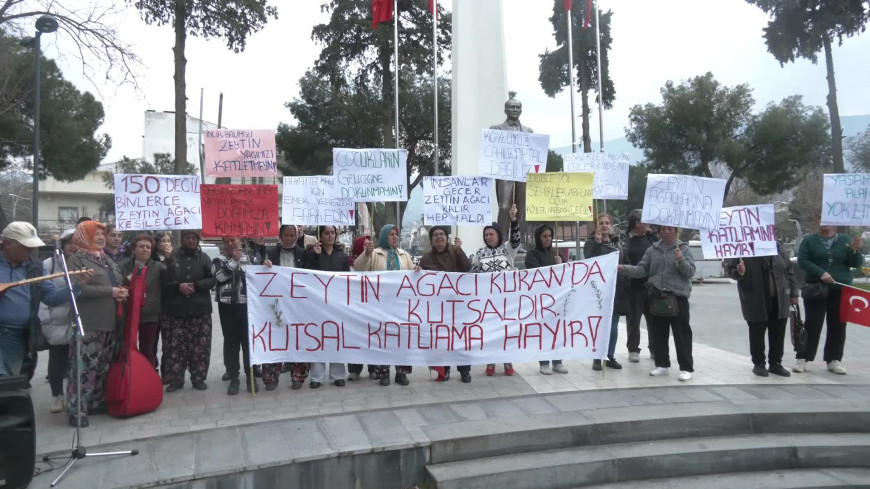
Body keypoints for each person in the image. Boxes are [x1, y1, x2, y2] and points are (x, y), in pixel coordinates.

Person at [65, 220, 126, 427]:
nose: (101, 237)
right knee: (83, 369)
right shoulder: (77, 260)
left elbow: (116, 282)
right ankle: (76, 409)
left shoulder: (106, 259)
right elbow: (77, 290)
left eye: (102, 234)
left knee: (101, 366)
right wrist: (110, 292)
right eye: (96, 234)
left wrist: (121, 291)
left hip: (109, 322)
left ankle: (95, 401)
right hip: (89, 323)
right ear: (83, 236)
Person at [619, 226, 696, 381]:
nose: (667, 232)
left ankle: (686, 368)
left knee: (682, 334)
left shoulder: (684, 249)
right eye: (663, 229)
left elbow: (690, 272)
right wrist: (624, 269)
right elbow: (642, 269)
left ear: (676, 231)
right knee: (658, 333)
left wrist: (680, 259)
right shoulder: (652, 250)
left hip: (677, 298)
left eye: (670, 229)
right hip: (657, 297)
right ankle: (662, 365)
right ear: (658, 232)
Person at [0, 222, 76, 380]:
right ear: (7, 243)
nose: (31, 250)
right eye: (25, 246)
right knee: (6, 381)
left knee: (19, 382)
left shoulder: (35, 267)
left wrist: (77, 287)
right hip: (3, 332)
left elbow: (51, 298)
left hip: (27, 334)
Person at [793, 214, 864, 375]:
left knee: (838, 324)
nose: (823, 222)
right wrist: (820, 273)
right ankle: (803, 358)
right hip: (816, 288)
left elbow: (855, 263)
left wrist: (855, 250)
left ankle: (833, 359)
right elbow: (803, 261)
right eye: (820, 219)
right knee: (812, 324)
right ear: (816, 222)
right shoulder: (809, 241)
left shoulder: (845, 239)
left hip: (840, 289)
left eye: (827, 219)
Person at [354, 224, 417, 386]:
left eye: (396, 234)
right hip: (380, 305)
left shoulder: (404, 255)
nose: (395, 237)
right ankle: (384, 372)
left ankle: (401, 373)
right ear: (383, 237)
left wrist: (417, 270)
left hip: (401, 305)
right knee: (383, 339)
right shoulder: (374, 254)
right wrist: (366, 254)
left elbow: (412, 275)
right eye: (391, 234)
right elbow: (359, 268)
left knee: (402, 339)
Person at [726, 244, 798, 377]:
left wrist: (794, 293)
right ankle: (759, 364)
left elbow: (789, 271)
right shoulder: (742, 247)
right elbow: (730, 270)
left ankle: (775, 363)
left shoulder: (777, 246)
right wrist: (738, 271)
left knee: (778, 332)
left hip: (779, 297)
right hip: (755, 298)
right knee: (757, 332)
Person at [161, 230, 215, 393]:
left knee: (200, 346)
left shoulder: (204, 257)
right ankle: (176, 380)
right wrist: (178, 287)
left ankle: (198, 378)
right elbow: (163, 281)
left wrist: (197, 286)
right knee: (175, 347)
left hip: (200, 311)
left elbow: (212, 279)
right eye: (187, 238)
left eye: (193, 238)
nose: (190, 241)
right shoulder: (171, 257)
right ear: (182, 239)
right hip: (176, 311)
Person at [471, 204, 520, 376]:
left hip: (506, 301)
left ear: (498, 235)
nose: (489, 237)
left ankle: (507, 360)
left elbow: (515, 240)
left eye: (492, 234)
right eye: (486, 235)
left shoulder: (507, 250)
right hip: (488, 302)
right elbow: (472, 275)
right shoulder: (479, 253)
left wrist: (513, 220)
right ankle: (490, 361)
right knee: (490, 331)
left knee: (506, 330)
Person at [419, 226, 472, 382]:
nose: (439, 237)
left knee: (461, 339)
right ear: (431, 241)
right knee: (443, 340)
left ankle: (464, 370)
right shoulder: (426, 259)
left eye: (442, 234)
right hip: (439, 308)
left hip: (458, 305)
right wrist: (418, 270)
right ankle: (445, 370)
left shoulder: (456, 253)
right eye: (435, 235)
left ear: (447, 238)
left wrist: (460, 251)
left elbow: (468, 268)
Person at [214, 236, 264, 394]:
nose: (230, 244)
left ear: (240, 242)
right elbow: (220, 277)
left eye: (233, 241)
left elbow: (260, 278)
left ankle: (250, 377)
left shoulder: (251, 259)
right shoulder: (218, 259)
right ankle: (234, 377)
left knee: (248, 342)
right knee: (231, 342)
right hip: (227, 306)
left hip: (247, 306)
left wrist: (267, 266)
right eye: (226, 241)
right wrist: (234, 261)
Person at [303, 225, 350, 388]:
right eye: (327, 233)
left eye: (333, 233)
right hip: (317, 303)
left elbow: (347, 280)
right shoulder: (311, 254)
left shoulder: (342, 256)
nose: (330, 236)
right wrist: (314, 257)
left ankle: (337, 374)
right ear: (320, 236)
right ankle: (316, 376)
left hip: (337, 303)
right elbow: (305, 275)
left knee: (336, 338)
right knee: (318, 338)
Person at [120, 234, 174, 371]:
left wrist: (170, 259)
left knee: (148, 350)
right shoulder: (123, 266)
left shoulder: (157, 266)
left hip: (149, 315)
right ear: (134, 249)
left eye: (148, 247)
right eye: (141, 246)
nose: (145, 249)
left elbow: (172, 277)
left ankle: (149, 377)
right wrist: (127, 280)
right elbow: (115, 285)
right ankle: (130, 377)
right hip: (127, 315)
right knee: (126, 349)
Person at [38, 229, 76, 413]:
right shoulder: (49, 264)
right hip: (55, 322)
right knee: (57, 361)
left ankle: (72, 395)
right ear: (62, 244)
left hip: (76, 320)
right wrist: (45, 318)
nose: (73, 246)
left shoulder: (84, 262)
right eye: (69, 242)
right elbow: (41, 293)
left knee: (75, 362)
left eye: (76, 242)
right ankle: (57, 396)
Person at [265, 224, 308, 388]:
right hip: (276, 303)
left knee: (298, 338)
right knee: (274, 339)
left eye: (292, 236)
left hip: (298, 305)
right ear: (280, 237)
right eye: (286, 236)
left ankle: (298, 376)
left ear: (296, 236)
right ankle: (270, 377)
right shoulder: (269, 254)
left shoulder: (304, 254)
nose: (289, 239)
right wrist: (264, 265)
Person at [584, 213, 628, 371]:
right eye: (601, 223)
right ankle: (597, 357)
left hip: (616, 288)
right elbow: (589, 260)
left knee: (614, 325)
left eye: (607, 223)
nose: (604, 225)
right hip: (599, 290)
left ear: (611, 225)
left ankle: (610, 355)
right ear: (597, 226)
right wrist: (597, 243)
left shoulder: (617, 243)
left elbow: (623, 261)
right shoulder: (590, 242)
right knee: (599, 324)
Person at [525, 224, 568, 375]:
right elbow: (537, 274)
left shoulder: (558, 254)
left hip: (557, 299)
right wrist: (554, 267)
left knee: (557, 331)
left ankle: (557, 361)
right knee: (544, 331)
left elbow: (565, 275)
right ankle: (544, 362)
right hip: (541, 300)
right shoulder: (532, 254)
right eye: (544, 236)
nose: (548, 239)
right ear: (539, 238)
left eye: (550, 236)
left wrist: (561, 265)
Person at [490, 98, 532, 238]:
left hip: (523, 172)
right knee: (503, 206)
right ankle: (501, 239)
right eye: (511, 107)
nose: (514, 110)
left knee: (521, 208)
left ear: (521, 110)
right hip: (504, 172)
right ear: (505, 110)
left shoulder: (528, 131)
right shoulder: (496, 129)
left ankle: (517, 240)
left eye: (517, 107)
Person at [623, 209, 657, 363]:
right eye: (646, 220)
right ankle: (633, 349)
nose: (649, 224)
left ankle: (655, 349)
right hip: (633, 287)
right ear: (637, 224)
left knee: (654, 319)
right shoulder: (624, 239)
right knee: (633, 320)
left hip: (651, 286)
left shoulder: (652, 237)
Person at [347, 234, 375, 381]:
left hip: (372, 305)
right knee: (355, 337)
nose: (368, 247)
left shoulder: (375, 260)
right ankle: (354, 369)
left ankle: (373, 368)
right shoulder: (350, 263)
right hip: (355, 306)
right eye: (364, 245)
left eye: (369, 245)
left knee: (372, 337)